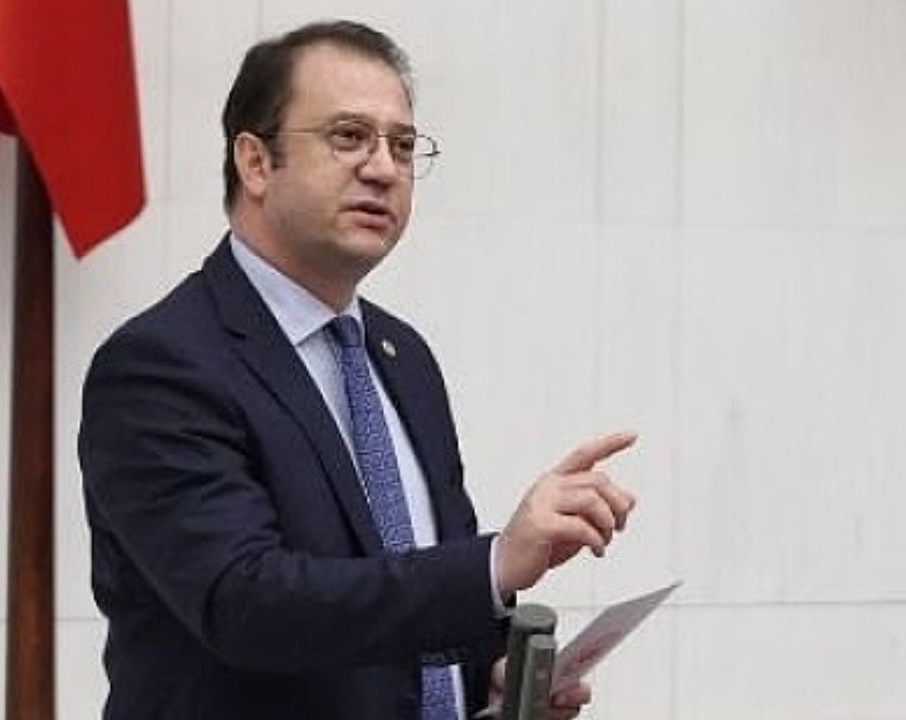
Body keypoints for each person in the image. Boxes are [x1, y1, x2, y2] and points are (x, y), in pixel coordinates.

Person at [78, 19, 637, 720]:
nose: (383, 169)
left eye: (402, 146)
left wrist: (490, 677)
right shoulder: (162, 365)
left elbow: (415, 585)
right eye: (349, 137)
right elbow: (246, 603)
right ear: (256, 162)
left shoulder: (403, 357)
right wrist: (495, 564)